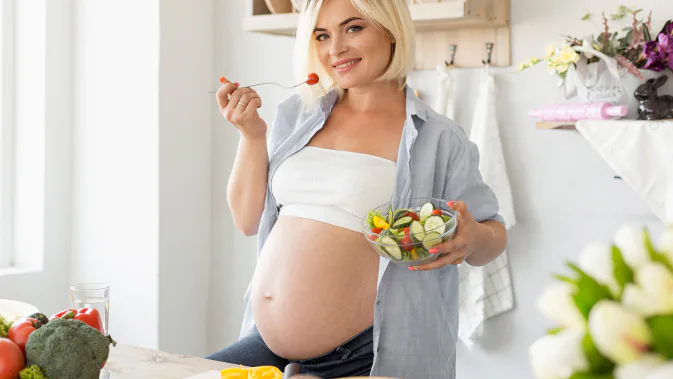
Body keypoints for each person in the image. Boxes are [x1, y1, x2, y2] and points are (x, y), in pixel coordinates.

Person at [207, 0, 508, 378]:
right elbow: (246, 219)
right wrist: (251, 135)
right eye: (322, 35)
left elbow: (492, 235)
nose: (335, 49)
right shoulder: (296, 114)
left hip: (369, 355)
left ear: (391, 31)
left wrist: (472, 236)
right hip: (268, 344)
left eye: (353, 28)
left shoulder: (438, 137)